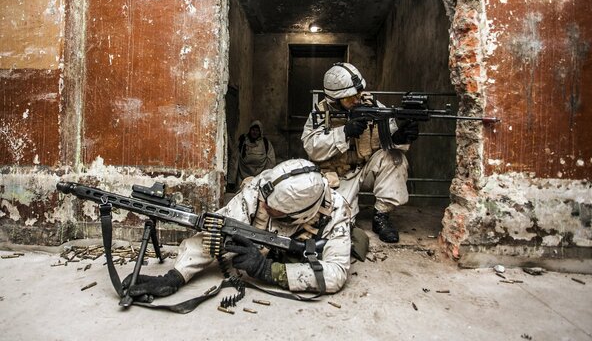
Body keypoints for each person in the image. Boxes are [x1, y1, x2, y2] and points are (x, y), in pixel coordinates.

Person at [122, 159, 352, 299]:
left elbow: (335, 274)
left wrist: (269, 271)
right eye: (264, 200)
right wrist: (176, 275)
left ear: (299, 216)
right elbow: (217, 228)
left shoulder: (338, 212)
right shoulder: (261, 188)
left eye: (274, 210)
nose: (263, 205)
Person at [301, 62, 419, 243]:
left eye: (358, 94)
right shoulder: (320, 114)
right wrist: (344, 132)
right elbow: (312, 147)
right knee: (338, 224)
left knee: (395, 158)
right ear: (335, 99)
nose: (356, 100)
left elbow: (389, 131)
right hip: (338, 177)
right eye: (349, 98)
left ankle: (381, 217)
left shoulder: (371, 104)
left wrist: (400, 136)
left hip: (366, 170)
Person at [227, 120, 276, 191]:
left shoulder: (266, 143)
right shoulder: (242, 141)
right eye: (253, 130)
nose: (254, 132)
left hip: (259, 177)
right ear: (250, 130)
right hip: (242, 177)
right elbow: (234, 160)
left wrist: (266, 178)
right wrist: (231, 181)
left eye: (257, 131)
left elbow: (271, 161)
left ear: (260, 132)